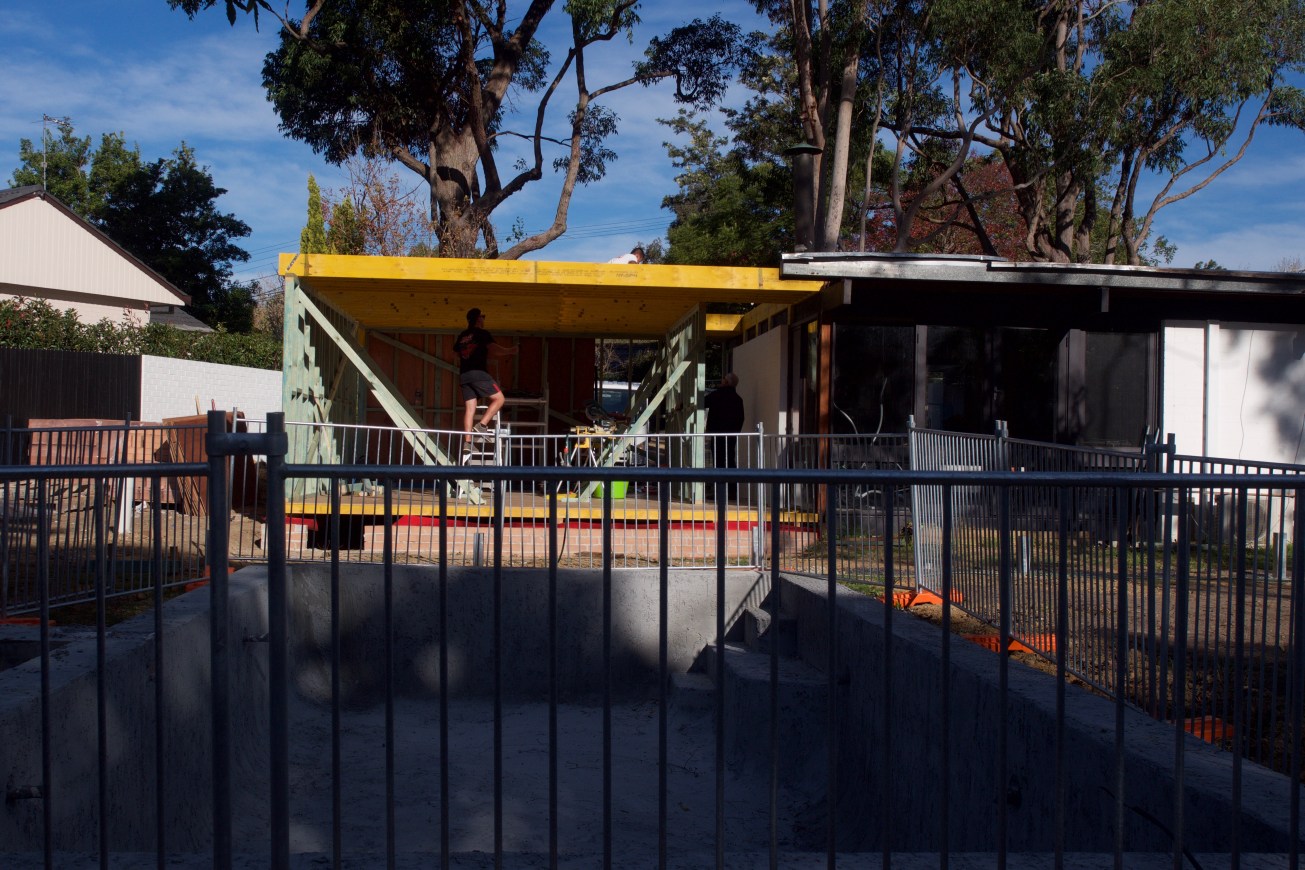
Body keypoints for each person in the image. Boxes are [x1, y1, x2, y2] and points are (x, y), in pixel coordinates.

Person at [452, 307, 518, 439]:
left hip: (464, 375)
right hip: (478, 373)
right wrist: (511, 351)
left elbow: (455, 354)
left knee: (470, 409)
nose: (484, 319)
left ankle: (467, 442)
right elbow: (494, 349)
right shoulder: (482, 334)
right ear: (478, 319)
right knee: (500, 399)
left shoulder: (462, 335)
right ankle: (481, 425)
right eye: (483, 316)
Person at [704, 373, 746, 495]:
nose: (721, 381)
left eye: (723, 379)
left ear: (726, 382)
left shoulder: (717, 395)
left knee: (719, 463)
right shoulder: (738, 399)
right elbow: (741, 418)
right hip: (731, 435)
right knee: (730, 461)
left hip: (717, 435)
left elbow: (702, 402)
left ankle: (720, 493)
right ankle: (732, 493)